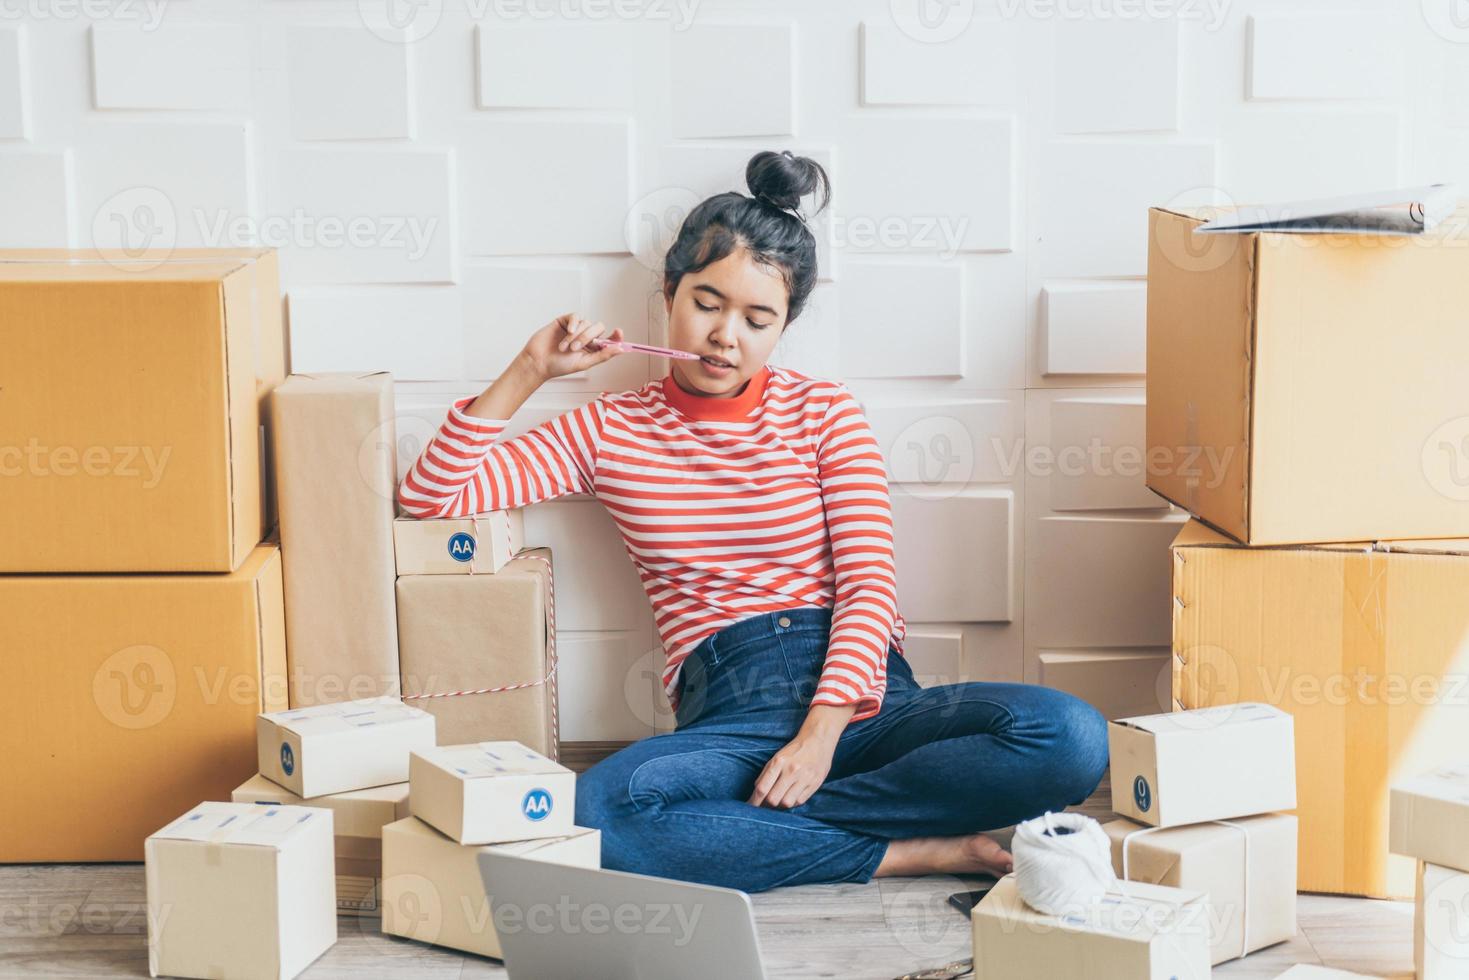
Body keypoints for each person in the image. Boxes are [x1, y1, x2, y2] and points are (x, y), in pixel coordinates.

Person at [398, 149, 1109, 893]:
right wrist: (529, 370)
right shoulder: (607, 429)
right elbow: (432, 497)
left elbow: (869, 588)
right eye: (706, 302)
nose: (724, 336)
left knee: (1070, 738)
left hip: (865, 698)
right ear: (669, 292)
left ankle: (748, 831)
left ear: (782, 327)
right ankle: (902, 850)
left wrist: (818, 737)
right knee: (597, 813)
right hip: (729, 709)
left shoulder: (823, 412)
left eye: (756, 318)